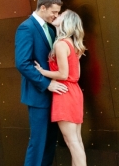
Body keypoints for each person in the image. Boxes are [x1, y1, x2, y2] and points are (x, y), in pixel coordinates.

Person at [15, 0, 68, 166]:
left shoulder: (51, 29)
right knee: (37, 143)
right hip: (38, 96)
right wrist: (47, 84)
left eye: (58, 12)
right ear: (42, 7)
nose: (56, 15)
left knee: (50, 143)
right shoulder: (26, 27)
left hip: (55, 96)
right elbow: (23, 63)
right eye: (54, 12)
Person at [34, 10, 87, 166]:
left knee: (71, 141)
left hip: (64, 92)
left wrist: (43, 72)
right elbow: (74, 74)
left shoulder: (61, 43)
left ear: (66, 22)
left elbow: (63, 74)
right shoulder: (72, 44)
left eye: (61, 15)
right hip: (74, 91)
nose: (57, 16)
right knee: (76, 139)